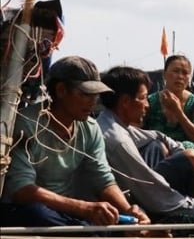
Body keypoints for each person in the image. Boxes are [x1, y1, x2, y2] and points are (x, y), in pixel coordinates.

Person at [0, 56, 150, 228]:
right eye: (86, 94)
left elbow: (103, 179)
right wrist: (83, 208)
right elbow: (22, 191)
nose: (93, 101)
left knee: (109, 218)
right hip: (25, 210)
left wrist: (129, 212)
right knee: (37, 214)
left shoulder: (90, 128)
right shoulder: (25, 124)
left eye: (95, 95)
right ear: (61, 90)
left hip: (64, 212)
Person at [97, 66, 194, 221]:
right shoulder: (118, 140)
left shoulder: (109, 119)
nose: (147, 105)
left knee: (156, 144)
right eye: (142, 98)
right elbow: (147, 185)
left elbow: (157, 135)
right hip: (136, 201)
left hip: (139, 188)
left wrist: (178, 150)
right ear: (126, 102)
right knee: (193, 158)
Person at [142, 54, 194, 164]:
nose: (180, 76)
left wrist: (178, 112)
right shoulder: (150, 102)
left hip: (189, 153)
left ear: (189, 78)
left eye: (185, 73)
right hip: (158, 152)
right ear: (165, 74)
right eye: (175, 71)